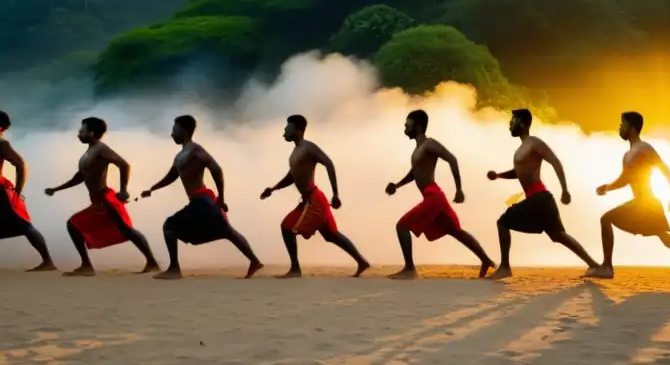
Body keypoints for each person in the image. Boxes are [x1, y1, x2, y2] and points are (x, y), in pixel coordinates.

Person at [588, 111, 670, 284]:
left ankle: (607, 267)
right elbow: (624, 180)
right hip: (640, 203)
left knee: (608, 220)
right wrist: (607, 188)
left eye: (623, 124)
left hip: (648, 203)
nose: (620, 127)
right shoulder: (627, 155)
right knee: (664, 238)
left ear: (633, 128)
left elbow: (664, 169)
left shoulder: (644, 148)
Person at [141, 115, 263, 280]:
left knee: (170, 226)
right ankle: (255, 261)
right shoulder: (180, 155)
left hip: (202, 199)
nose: (172, 134)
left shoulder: (195, 150)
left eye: (174, 129)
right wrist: (152, 189)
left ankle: (174, 269)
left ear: (183, 130)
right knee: (227, 231)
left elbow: (216, 169)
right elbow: (171, 176)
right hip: (200, 201)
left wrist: (221, 196)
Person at [487, 108, 599, 280]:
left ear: (523, 124)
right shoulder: (523, 148)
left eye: (513, 120)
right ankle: (594, 265)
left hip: (539, 198)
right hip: (539, 200)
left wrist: (565, 189)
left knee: (503, 222)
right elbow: (518, 172)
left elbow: (554, 161)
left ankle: (504, 268)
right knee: (559, 236)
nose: (510, 124)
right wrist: (499, 175)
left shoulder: (534, 143)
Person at [385, 110, 495, 279]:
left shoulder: (429, 144)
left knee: (402, 226)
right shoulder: (418, 149)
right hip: (434, 196)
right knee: (455, 231)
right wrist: (397, 185)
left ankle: (409, 269)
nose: (405, 128)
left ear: (418, 126)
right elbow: (415, 173)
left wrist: (459, 189)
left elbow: (452, 159)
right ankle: (486, 260)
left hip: (433, 196)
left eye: (408, 124)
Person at [46, 117, 160, 276]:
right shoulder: (89, 151)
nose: (78, 134)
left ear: (92, 133)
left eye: (82, 131)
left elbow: (124, 164)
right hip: (97, 201)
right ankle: (87, 266)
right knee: (76, 225)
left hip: (107, 200)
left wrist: (123, 190)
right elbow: (80, 177)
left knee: (126, 230)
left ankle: (152, 262)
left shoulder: (101, 149)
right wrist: (57, 189)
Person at [261, 115, 369, 278]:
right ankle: (362, 262)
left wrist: (336, 194)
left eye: (287, 128)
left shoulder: (308, 147)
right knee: (331, 235)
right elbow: (292, 176)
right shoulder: (296, 152)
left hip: (314, 201)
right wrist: (274, 188)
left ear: (298, 130)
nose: (284, 131)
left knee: (287, 227)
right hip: (312, 200)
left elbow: (329, 163)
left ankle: (295, 269)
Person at [0, 111, 57, 271]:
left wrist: (17, 192)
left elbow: (20, 165)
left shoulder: (2, 144)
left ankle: (48, 261)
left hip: (1, 191)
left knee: (24, 225)